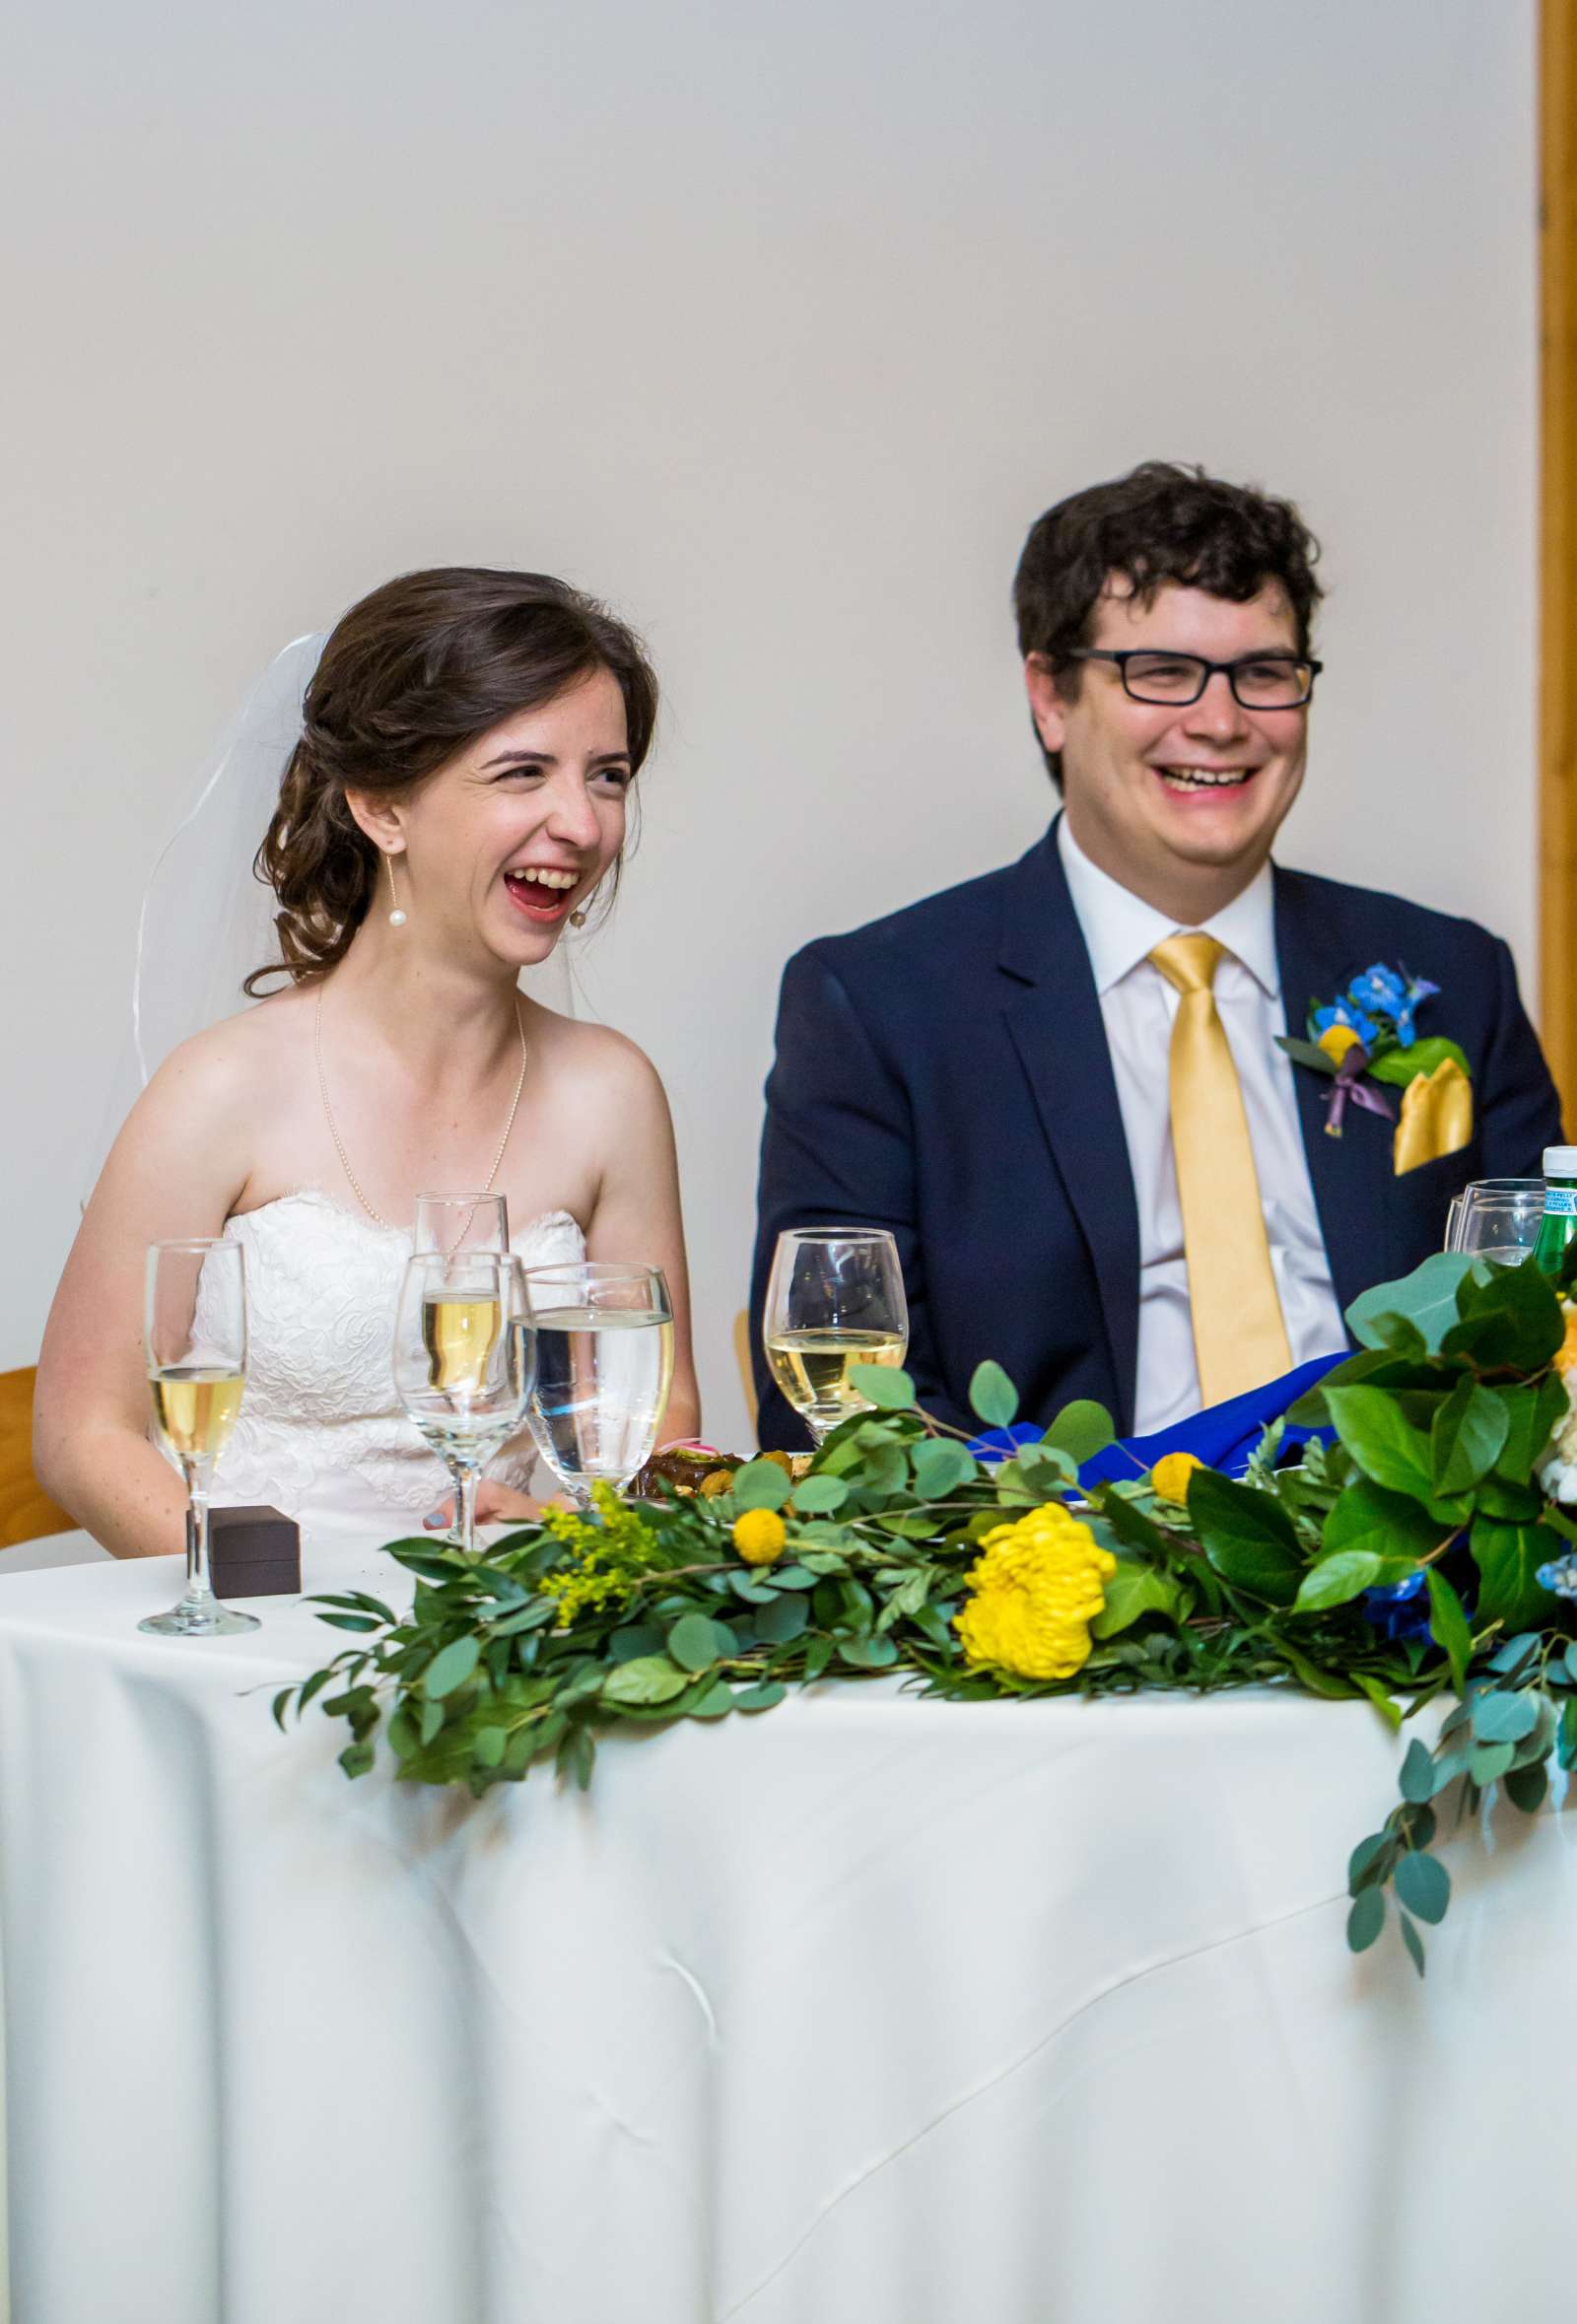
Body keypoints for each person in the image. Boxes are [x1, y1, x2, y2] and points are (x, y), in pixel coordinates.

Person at [751, 462, 1562, 1446]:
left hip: (1415, 1568)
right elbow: (841, 1421)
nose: (1219, 723)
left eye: (1263, 673)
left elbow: (1550, 1338)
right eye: (1161, 673)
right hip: (1053, 1569)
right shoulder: (880, 1004)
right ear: (1050, 696)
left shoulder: (1448, 979)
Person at [35, 567, 700, 1548]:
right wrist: (292, 1605)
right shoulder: (220, 1090)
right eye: (524, 772)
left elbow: (662, 1418)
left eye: (606, 775)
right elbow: (84, 1436)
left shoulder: (612, 1093)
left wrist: (562, 1544)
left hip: (513, 1658)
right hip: (262, 1654)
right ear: (381, 807)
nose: (585, 824)